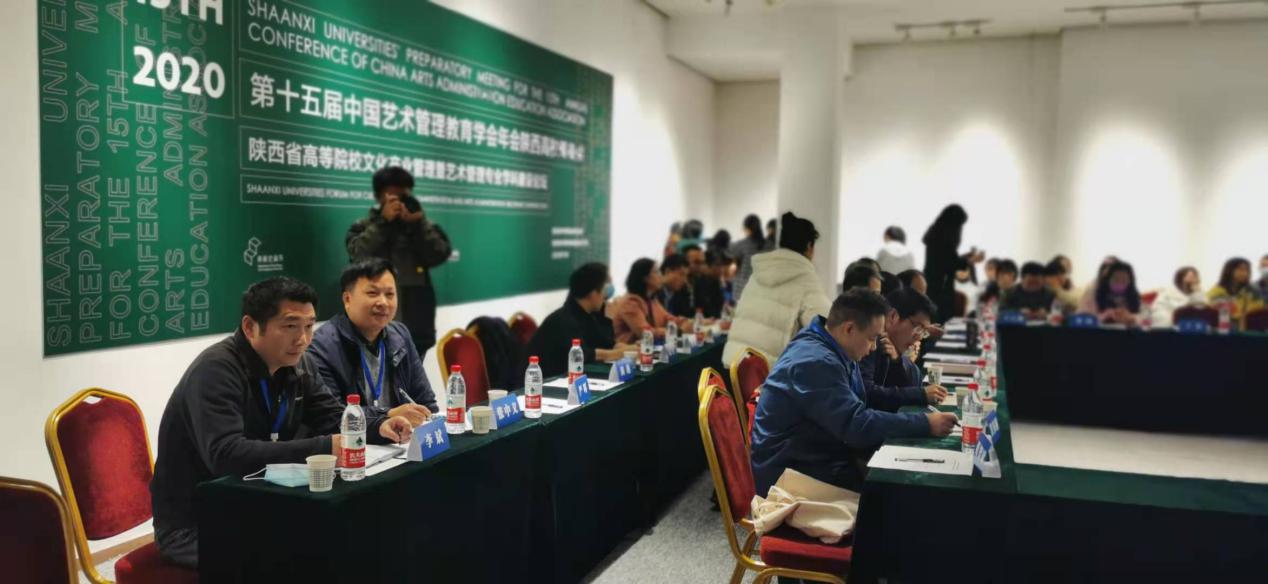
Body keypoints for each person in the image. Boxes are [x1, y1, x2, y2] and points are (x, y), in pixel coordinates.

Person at [150, 277, 414, 568]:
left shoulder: (299, 363)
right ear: (250, 327)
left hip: (258, 505)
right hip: (197, 523)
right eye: (290, 326)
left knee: (357, 535)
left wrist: (378, 427)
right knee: (297, 558)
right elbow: (225, 455)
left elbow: (331, 416)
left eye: (309, 326)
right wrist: (325, 447)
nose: (302, 339)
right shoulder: (215, 370)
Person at [748, 289, 958, 494]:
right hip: (790, 475)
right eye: (872, 338)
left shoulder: (833, 345)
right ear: (849, 329)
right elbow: (855, 425)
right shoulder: (816, 362)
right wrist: (925, 423)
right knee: (899, 496)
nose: (874, 347)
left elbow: (859, 408)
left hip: (818, 455)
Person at [307, 259, 439, 429]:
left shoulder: (400, 335)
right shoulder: (322, 346)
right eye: (372, 293)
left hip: (402, 439)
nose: (383, 302)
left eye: (390, 294)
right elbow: (333, 417)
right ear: (347, 299)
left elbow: (426, 402)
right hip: (354, 442)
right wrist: (388, 415)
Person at [346, 167, 452, 356]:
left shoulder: (419, 226)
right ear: (379, 197)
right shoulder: (364, 226)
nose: (400, 203)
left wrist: (418, 224)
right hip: (374, 318)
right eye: (393, 197)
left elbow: (439, 253)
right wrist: (382, 223)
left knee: (414, 370)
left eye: (404, 196)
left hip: (416, 319)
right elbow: (358, 255)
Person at [722, 212, 832, 366]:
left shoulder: (759, 272)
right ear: (809, 246)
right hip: (770, 372)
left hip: (736, 364)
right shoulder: (804, 277)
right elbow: (827, 329)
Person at [526, 263, 636, 378]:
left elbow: (606, 343)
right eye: (604, 289)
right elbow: (583, 354)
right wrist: (618, 353)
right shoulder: (564, 320)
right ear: (593, 293)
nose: (606, 296)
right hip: (542, 381)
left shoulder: (587, 315)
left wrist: (631, 349)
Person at [859, 288, 948, 410]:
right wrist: (920, 395)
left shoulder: (893, 347)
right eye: (918, 327)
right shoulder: (870, 340)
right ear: (893, 316)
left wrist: (897, 361)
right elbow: (866, 393)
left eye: (924, 331)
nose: (919, 337)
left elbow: (915, 382)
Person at [609, 258, 690, 344]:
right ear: (645, 278)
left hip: (646, 347)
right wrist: (678, 331)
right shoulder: (630, 303)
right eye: (656, 272)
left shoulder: (652, 300)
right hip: (627, 349)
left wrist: (686, 322)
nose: (660, 276)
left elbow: (667, 319)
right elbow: (645, 333)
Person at [922, 204, 969, 323]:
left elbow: (948, 259)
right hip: (941, 290)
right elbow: (950, 262)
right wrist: (968, 261)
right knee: (941, 324)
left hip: (933, 286)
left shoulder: (935, 235)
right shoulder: (943, 239)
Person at [1208, 257, 1265, 330]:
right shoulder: (1216, 291)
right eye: (1240, 269)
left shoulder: (1252, 292)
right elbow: (1216, 310)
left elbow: (1258, 311)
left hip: (1249, 330)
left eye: (1247, 270)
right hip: (1222, 329)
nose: (1244, 273)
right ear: (1229, 270)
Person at [1079, 260, 1142, 325]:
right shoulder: (1096, 295)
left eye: (1124, 280)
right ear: (1108, 280)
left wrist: (1131, 318)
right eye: (1116, 279)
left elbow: (1143, 319)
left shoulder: (1134, 297)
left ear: (1130, 282)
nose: (1119, 283)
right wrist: (1105, 316)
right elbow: (1082, 320)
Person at [729, 214, 766, 301]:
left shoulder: (740, 245)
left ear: (746, 228)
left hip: (743, 289)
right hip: (762, 289)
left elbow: (733, 267)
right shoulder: (770, 245)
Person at [693, 249, 728, 318]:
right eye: (718, 265)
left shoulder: (716, 282)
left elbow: (720, 305)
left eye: (722, 265)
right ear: (707, 265)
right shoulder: (699, 283)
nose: (721, 269)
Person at [658, 253, 694, 318]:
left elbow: (686, 317)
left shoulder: (682, 292)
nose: (684, 280)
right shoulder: (654, 293)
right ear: (667, 271)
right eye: (681, 274)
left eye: (686, 276)